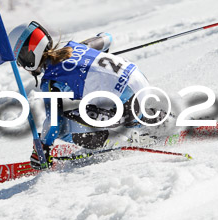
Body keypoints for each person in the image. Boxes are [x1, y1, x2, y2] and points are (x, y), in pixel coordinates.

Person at [10, 22, 161, 169]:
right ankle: (146, 119)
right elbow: (106, 37)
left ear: (28, 56)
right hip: (142, 85)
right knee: (89, 105)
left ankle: (123, 139)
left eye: (20, 62)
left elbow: (54, 124)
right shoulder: (76, 47)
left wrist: (43, 147)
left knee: (63, 127)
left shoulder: (50, 79)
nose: (22, 67)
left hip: (128, 105)